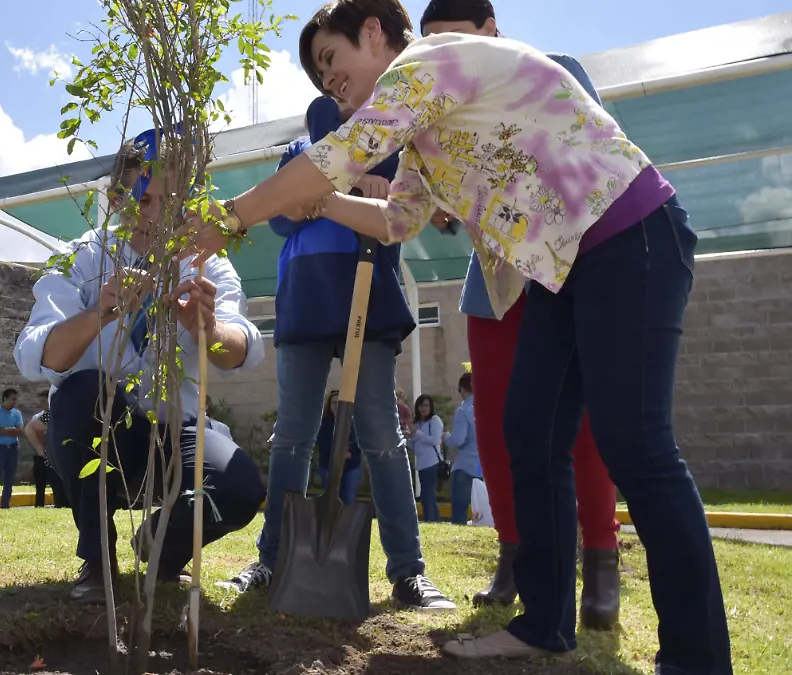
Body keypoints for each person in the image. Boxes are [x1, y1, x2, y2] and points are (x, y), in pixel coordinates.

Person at [183, 0, 729, 670]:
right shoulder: (421, 125)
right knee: (529, 431)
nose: (329, 82)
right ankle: (544, 623)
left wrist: (232, 217)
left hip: (628, 235)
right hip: (562, 268)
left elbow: (338, 156)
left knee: (636, 444)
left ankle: (699, 658)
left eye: (331, 59)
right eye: (320, 75)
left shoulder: (427, 63)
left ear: (376, 32)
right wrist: (323, 202)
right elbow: (398, 220)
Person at [419, 0, 622, 629]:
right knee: (498, 429)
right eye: (433, 47)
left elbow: (589, 165)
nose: (446, 58)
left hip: (560, 280)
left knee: (578, 427)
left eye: (457, 41)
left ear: (491, 31)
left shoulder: (558, 70)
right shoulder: (439, 110)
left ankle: (602, 562)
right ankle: (513, 557)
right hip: (493, 291)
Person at [218, 86, 453, 612]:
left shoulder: (392, 153)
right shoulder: (297, 153)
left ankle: (408, 572)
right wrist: (332, 188)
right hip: (304, 298)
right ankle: (272, 559)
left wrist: (370, 190)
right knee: (292, 436)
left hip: (368, 298)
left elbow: (403, 217)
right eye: (328, 84)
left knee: (382, 436)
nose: (341, 96)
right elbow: (279, 217)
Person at [13, 132, 267, 604]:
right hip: (105, 434)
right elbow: (36, 356)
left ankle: (162, 547)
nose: (157, 217)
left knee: (238, 486)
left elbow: (240, 350)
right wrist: (97, 315)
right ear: (115, 200)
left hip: (178, 433)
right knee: (82, 391)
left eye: (172, 203)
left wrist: (206, 330)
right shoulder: (83, 257)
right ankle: (97, 558)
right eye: (144, 201)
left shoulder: (205, 263)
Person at [444, 372, 480, 525]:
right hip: (482, 468)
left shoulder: (463, 410)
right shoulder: (485, 408)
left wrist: (446, 437)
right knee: (482, 512)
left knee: (459, 513)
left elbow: (458, 440)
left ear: (462, 389)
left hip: (464, 467)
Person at [315, 390, 362, 506]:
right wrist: (337, 453)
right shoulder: (324, 423)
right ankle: (332, 524)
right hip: (329, 466)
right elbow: (322, 443)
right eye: (334, 403)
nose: (336, 406)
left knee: (349, 500)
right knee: (332, 500)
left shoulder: (354, 422)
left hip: (351, 465)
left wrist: (349, 452)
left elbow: (359, 442)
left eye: (339, 403)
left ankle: (347, 523)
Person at [0, 388, 24, 509]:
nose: (14, 402)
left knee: (9, 479)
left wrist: (5, 431)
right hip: (0, 448)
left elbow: (20, 430)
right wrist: (10, 430)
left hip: (13, 448)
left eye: (16, 399)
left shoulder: (17, 413)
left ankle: (5, 505)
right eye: (12, 399)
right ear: (5, 399)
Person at [408, 394, 443, 522]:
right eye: (421, 405)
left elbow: (435, 440)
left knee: (426, 496)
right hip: (422, 464)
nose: (424, 408)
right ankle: (436, 521)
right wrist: (408, 437)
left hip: (432, 463)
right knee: (428, 496)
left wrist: (417, 433)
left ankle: (430, 521)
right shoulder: (417, 423)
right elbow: (415, 445)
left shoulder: (434, 420)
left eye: (427, 405)